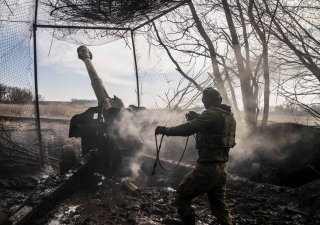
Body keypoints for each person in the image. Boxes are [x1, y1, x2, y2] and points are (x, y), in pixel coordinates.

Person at [155, 87, 236, 225]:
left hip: (207, 169)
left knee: (181, 196)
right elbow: (213, 126)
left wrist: (166, 130)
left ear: (205, 101)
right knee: (219, 208)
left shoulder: (211, 114)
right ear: (219, 100)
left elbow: (189, 129)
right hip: (221, 168)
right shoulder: (228, 116)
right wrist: (198, 118)